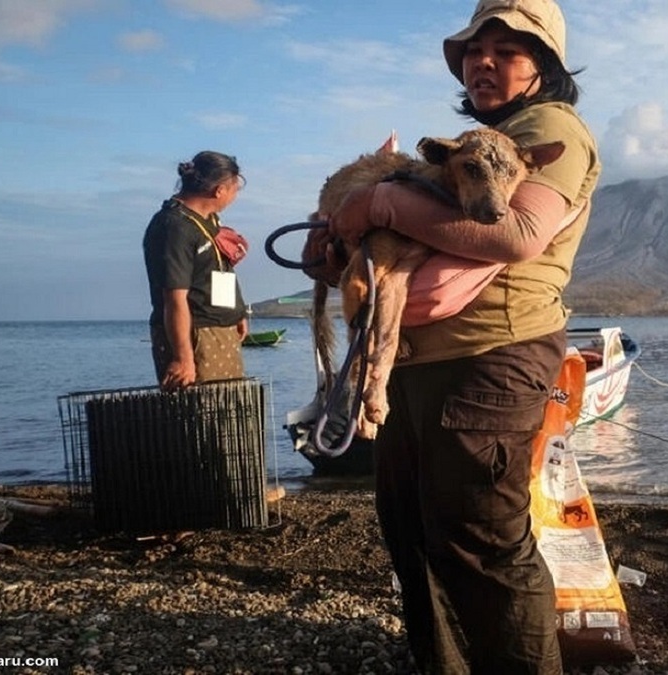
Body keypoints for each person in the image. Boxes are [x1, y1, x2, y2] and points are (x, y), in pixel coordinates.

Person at [304, 0, 600, 671]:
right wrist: (339, 238)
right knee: (412, 532)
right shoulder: (458, 150)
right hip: (415, 362)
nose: (483, 61)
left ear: (545, 65)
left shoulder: (548, 127)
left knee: (482, 542)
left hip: (488, 359)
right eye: (474, 50)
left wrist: (381, 203)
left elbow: (517, 234)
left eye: (507, 49)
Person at [143, 151, 250, 391]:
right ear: (219, 190)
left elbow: (219, 267)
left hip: (222, 331)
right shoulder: (174, 227)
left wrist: (237, 312)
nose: (236, 195)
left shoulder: (209, 220)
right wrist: (184, 358)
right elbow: (174, 297)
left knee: (229, 413)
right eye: (235, 188)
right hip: (196, 334)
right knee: (202, 416)